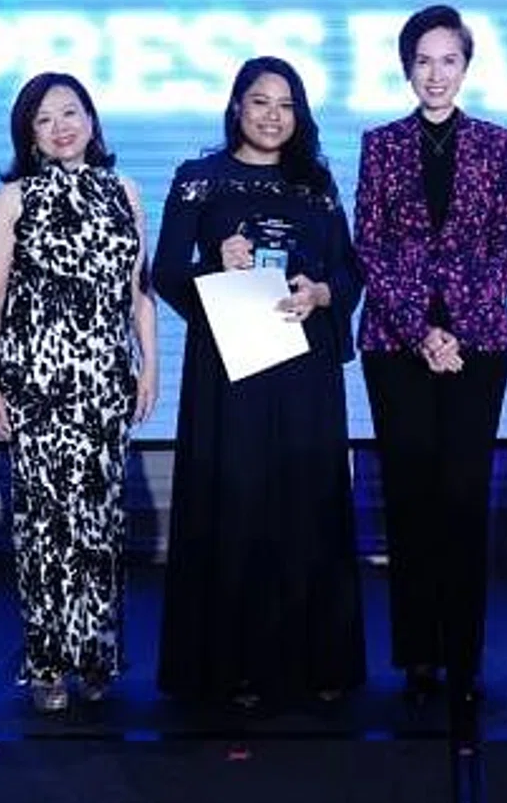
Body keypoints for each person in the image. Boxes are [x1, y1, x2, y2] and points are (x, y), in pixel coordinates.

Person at [152, 57, 366, 707]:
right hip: (230, 370)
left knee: (307, 506)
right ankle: (231, 665)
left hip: (304, 371)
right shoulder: (199, 180)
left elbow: (350, 272)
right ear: (236, 107)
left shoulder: (317, 184)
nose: (272, 116)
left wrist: (325, 291)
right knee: (236, 504)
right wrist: (214, 263)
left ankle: (314, 662)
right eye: (259, 102)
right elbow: (164, 271)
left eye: (286, 105)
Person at [355, 4, 507, 735]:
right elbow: (370, 244)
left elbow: (505, 243)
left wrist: (455, 330)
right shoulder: (380, 144)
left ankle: (466, 658)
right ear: (405, 68)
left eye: (448, 59)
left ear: (466, 65)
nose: (435, 73)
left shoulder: (496, 144)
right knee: (411, 498)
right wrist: (422, 330)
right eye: (422, 61)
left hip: (479, 345)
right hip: (396, 346)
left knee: (463, 497)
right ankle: (418, 657)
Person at [0, 73, 158, 713]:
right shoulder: (13, 199)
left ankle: (97, 655)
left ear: (91, 118)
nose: (61, 126)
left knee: (101, 521)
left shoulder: (124, 190)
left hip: (106, 380)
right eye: (44, 118)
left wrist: (150, 368)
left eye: (70, 112)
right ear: (29, 133)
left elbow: (141, 293)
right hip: (38, 382)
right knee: (46, 524)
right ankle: (48, 661)